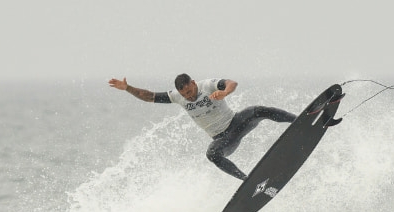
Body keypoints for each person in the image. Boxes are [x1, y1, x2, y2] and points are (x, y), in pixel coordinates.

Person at [108, 74, 296, 180]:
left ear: (193, 83)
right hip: (222, 139)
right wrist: (127, 88)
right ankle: (247, 181)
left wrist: (224, 92)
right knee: (212, 155)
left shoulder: (207, 85)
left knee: (258, 110)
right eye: (185, 94)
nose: (189, 96)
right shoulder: (177, 96)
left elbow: (232, 83)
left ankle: (299, 121)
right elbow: (148, 96)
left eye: (190, 91)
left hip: (236, 123)